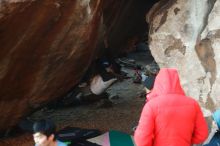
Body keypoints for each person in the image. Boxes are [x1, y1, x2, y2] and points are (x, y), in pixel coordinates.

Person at [134, 68, 208, 146]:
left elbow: (141, 140)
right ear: (178, 82)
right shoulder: (193, 104)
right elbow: (202, 134)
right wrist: (186, 141)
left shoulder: (151, 106)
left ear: (158, 83)